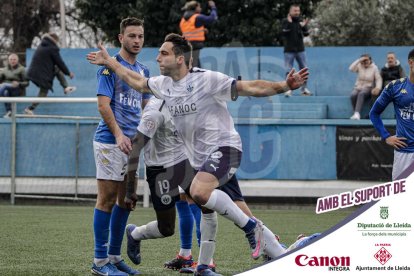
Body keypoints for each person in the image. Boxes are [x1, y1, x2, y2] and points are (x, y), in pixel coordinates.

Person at [87, 33, 308, 276]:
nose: (157, 57)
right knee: (214, 208)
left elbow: (249, 87)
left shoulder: (207, 80)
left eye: (164, 53)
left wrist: (284, 86)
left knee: (200, 194)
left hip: (226, 149)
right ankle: (277, 254)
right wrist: (111, 62)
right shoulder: (163, 85)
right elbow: (136, 81)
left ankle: (248, 232)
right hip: (197, 161)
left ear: (180, 59)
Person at [90, 17, 152, 276]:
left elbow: (147, 105)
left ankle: (115, 257)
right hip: (110, 141)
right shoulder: (108, 67)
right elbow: (103, 105)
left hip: (133, 146)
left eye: (140, 36)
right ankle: (100, 262)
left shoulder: (144, 71)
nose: (137, 40)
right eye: (132, 36)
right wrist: (118, 135)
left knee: (127, 201)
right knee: (106, 200)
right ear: (121, 38)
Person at [370, 49, 414, 181]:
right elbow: (374, 113)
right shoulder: (395, 87)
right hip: (404, 153)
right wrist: (386, 136)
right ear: (411, 63)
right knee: (400, 198)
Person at [24, 32, 76, 115]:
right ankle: (29, 109)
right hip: (41, 74)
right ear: (55, 40)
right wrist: (68, 73)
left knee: (56, 69)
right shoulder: (52, 47)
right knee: (44, 91)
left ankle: (66, 87)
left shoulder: (42, 45)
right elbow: (59, 62)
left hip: (33, 73)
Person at [281, 3, 312, 97]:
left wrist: (304, 26)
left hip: (300, 50)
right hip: (289, 50)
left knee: (304, 69)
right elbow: (283, 33)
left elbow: (306, 34)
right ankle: (288, 89)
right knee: (288, 70)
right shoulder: (286, 21)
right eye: (295, 10)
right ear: (290, 11)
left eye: (298, 10)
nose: (297, 12)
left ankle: (304, 89)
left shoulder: (300, 21)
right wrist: (289, 24)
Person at [179, 0, 218, 68]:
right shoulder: (197, 17)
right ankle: (198, 76)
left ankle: (195, 75)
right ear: (195, 8)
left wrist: (202, 30)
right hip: (195, 43)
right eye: (199, 7)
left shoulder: (183, 19)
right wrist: (213, 7)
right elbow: (212, 18)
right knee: (194, 63)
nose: (200, 8)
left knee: (193, 61)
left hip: (186, 43)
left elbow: (190, 30)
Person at [349, 54, 382, 120]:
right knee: (353, 95)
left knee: (361, 94)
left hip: (368, 87)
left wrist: (378, 88)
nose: (365, 62)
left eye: (367, 60)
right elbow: (351, 68)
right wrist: (359, 60)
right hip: (358, 87)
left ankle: (357, 113)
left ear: (370, 60)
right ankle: (356, 113)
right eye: (363, 61)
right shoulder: (359, 66)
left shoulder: (374, 67)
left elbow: (378, 79)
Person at [0, 53, 29, 118]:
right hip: (6, 89)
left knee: (4, 85)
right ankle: (9, 112)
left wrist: (19, 84)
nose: (12, 61)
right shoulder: (5, 69)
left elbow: (27, 83)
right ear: (8, 60)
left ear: (17, 60)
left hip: (17, 89)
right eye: (11, 59)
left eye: (14, 59)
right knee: (5, 91)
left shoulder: (21, 69)